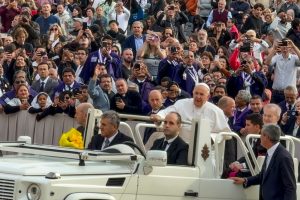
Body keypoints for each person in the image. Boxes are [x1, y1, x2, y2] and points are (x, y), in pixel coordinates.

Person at [231, 124, 296, 200]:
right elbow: (263, 176)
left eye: (261, 134)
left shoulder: (284, 157)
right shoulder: (270, 152)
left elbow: (290, 187)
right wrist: (245, 180)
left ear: (267, 137)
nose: (259, 137)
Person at [151, 83, 230, 133]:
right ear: (192, 93)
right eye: (196, 93)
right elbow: (167, 112)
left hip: (205, 149)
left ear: (208, 97)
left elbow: (224, 133)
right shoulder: (182, 103)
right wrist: (159, 117)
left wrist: (209, 139)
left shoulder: (215, 111)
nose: (198, 96)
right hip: (181, 146)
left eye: (201, 94)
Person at [264, 39, 300, 104]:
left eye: (286, 46)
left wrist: (294, 46)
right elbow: (267, 62)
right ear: (280, 47)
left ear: (290, 47)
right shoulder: (276, 57)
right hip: (276, 92)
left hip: (290, 94)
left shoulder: (294, 58)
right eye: (282, 46)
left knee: (289, 112)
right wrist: (274, 49)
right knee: (273, 113)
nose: (284, 48)